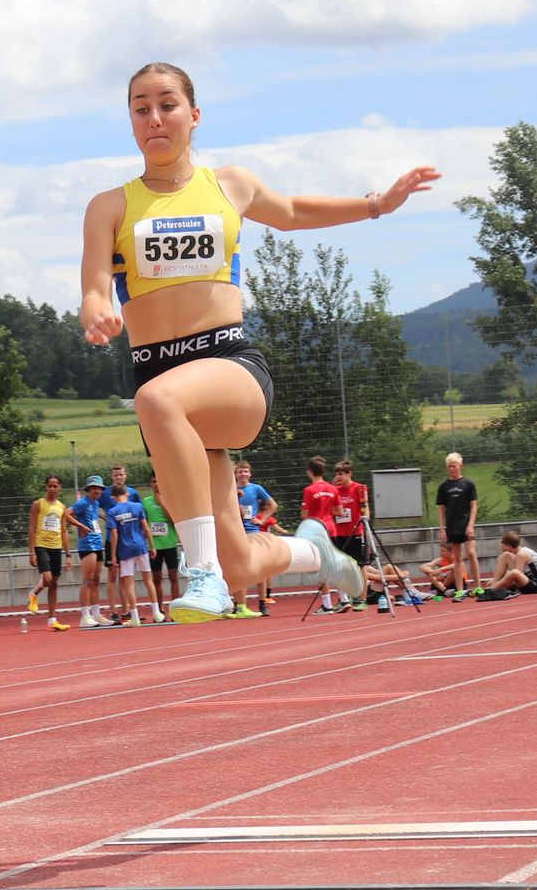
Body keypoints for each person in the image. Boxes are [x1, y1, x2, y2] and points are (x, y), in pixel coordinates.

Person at [77, 62, 429, 622]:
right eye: (141, 108)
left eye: (167, 104)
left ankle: (200, 575)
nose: (155, 117)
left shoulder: (229, 184)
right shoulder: (110, 207)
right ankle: (319, 552)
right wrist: (98, 313)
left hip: (227, 365)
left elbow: (290, 212)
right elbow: (95, 289)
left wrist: (376, 205)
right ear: (131, 122)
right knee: (240, 563)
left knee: (159, 403)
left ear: (194, 116)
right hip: (161, 378)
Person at [64, 476, 116, 627]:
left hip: (98, 543)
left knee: (96, 579)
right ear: (88, 489)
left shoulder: (96, 503)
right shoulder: (82, 503)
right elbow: (66, 514)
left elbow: (92, 516)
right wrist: (81, 526)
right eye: (94, 488)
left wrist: (102, 516)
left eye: (99, 488)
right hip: (87, 545)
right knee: (87, 579)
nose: (97, 490)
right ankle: (85, 616)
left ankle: (96, 613)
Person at [23, 475, 73, 629]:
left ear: (60, 488)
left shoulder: (61, 507)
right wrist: (31, 552)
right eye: (50, 486)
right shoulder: (38, 504)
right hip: (41, 545)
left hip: (56, 546)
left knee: (54, 583)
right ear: (46, 487)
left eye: (55, 486)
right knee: (48, 578)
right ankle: (35, 593)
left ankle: (52, 620)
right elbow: (31, 528)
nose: (52, 489)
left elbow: (64, 531)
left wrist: (68, 554)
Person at [232, 460, 279, 616]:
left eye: (246, 471)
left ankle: (262, 603)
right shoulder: (231, 489)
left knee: (260, 568)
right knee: (238, 568)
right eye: (240, 472)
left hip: (254, 530)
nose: (243, 474)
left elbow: (273, 505)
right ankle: (238, 604)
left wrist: (263, 519)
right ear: (236, 474)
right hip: (237, 531)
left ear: (250, 474)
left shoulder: (256, 488)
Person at [299, 456, 345, 613]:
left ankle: (327, 604)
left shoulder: (309, 490)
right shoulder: (333, 489)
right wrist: (327, 511)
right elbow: (340, 511)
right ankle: (344, 599)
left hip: (317, 531)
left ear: (310, 472)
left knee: (320, 567)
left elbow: (305, 515)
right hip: (331, 529)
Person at [433, 453, 480, 598]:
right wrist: (442, 528)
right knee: (457, 558)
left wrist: (471, 525)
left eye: (454, 466)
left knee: (471, 553)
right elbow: (441, 508)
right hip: (452, 524)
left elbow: (473, 505)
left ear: (460, 466)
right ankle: (460, 590)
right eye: (449, 467)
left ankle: (478, 586)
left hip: (466, 522)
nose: (452, 469)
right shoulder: (444, 487)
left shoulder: (468, 484)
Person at [107, 480, 153, 625]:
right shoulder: (138, 506)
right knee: (148, 580)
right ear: (127, 493)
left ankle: (134, 616)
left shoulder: (112, 511)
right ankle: (157, 612)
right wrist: (152, 545)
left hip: (125, 550)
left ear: (113, 497)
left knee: (129, 584)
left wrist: (114, 555)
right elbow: (145, 528)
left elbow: (114, 535)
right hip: (141, 546)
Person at [140, 469, 178, 622]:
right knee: (156, 577)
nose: (157, 485)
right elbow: (144, 524)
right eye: (154, 482)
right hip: (154, 545)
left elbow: (174, 519)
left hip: (169, 543)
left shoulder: (170, 499)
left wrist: (162, 503)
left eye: (159, 481)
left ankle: (174, 609)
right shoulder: (146, 502)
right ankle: (159, 610)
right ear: (151, 483)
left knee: (173, 575)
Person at [330, 458, 370, 595]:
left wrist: (365, 519)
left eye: (340, 474)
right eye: (336, 474)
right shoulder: (335, 491)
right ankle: (343, 599)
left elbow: (365, 508)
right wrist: (331, 487)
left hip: (356, 533)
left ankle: (363, 598)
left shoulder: (359, 488)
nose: (338, 477)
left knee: (361, 566)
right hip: (340, 534)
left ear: (349, 474)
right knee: (341, 567)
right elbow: (328, 507)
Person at [482, 531, 537, 599]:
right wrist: (497, 580)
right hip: (528, 579)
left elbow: (517, 574)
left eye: (503, 546)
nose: (502, 548)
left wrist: (501, 582)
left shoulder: (521, 554)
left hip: (535, 586)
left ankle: (492, 589)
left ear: (508, 546)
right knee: (505, 556)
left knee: (514, 573)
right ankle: (494, 583)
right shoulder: (520, 551)